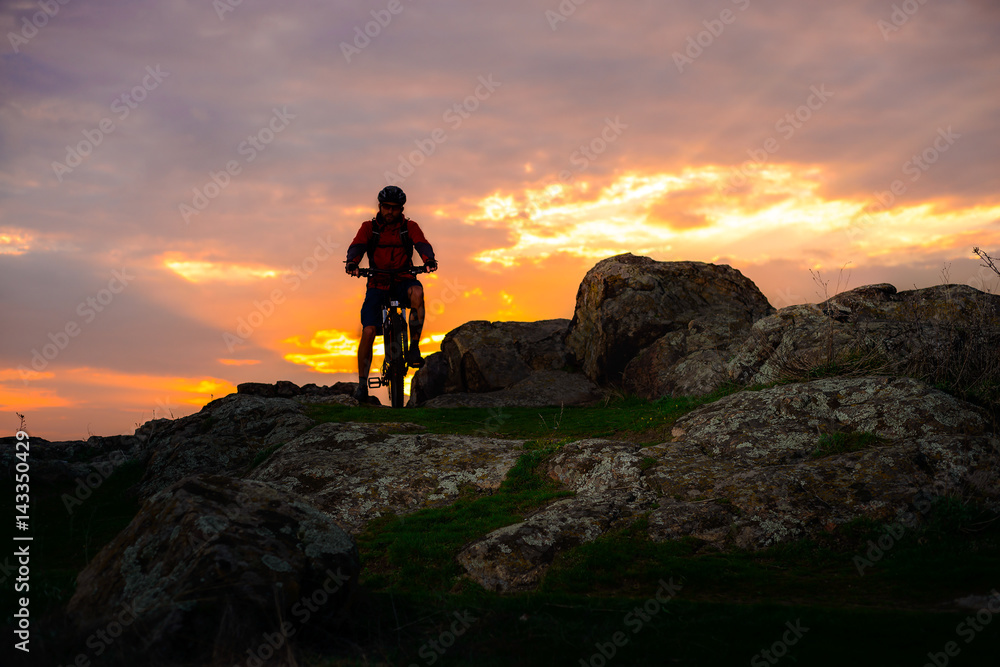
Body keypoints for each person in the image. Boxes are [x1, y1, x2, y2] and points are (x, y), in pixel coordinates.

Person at [345, 186, 437, 401]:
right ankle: (362, 386)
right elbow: (356, 247)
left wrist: (429, 260)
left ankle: (413, 347)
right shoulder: (369, 228)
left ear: (401, 209)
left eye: (394, 209)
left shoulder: (409, 227)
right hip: (377, 283)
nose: (390, 212)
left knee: (418, 292)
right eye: (386, 207)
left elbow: (422, 244)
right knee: (368, 332)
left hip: (403, 279)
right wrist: (352, 263)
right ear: (380, 206)